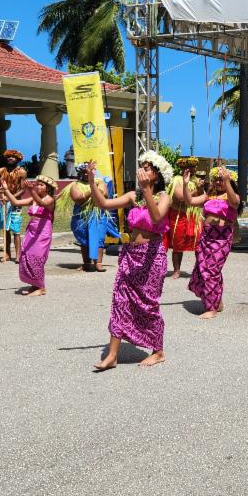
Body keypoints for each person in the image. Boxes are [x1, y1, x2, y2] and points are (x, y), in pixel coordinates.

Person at [88, 152, 173, 370]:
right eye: (141, 166)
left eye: (147, 167)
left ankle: (158, 350)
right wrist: (91, 179)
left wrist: (146, 190)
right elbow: (104, 203)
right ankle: (112, 355)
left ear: (157, 175)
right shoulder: (133, 196)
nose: (142, 170)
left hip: (152, 257)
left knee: (148, 304)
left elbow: (156, 218)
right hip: (130, 255)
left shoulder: (164, 197)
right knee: (120, 301)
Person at [184, 165, 242, 319]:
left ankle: (212, 308)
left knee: (212, 271)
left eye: (220, 180)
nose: (217, 182)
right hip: (206, 236)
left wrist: (227, 181)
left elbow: (234, 203)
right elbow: (189, 200)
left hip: (222, 238)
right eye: (215, 179)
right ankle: (217, 301)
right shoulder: (209, 195)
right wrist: (185, 184)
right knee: (203, 269)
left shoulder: (233, 196)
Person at [57, 163, 120, 272]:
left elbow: (104, 195)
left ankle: (98, 263)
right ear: (80, 173)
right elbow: (78, 198)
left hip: (98, 215)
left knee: (99, 238)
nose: (86, 174)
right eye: (84, 172)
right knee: (84, 240)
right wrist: (91, 191)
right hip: (82, 217)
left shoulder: (100, 182)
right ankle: (87, 263)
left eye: (89, 172)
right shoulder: (74, 185)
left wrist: (92, 188)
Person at [1, 175, 58, 296]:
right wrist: (6, 189)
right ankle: (34, 285)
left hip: (43, 233)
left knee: (36, 258)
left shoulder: (50, 199)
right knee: (27, 256)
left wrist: (31, 190)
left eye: (41, 185)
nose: (38, 186)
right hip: (31, 231)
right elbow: (15, 202)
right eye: (37, 184)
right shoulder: (33, 199)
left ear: (48, 188)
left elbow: (42, 203)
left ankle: (41, 288)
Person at [165, 156, 203, 279]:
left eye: (193, 167)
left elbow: (202, 198)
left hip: (194, 216)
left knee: (198, 244)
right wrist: (195, 190)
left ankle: (200, 270)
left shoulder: (196, 180)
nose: (191, 169)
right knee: (178, 245)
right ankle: (177, 270)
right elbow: (180, 198)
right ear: (182, 168)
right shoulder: (177, 180)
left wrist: (200, 188)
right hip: (178, 216)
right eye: (188, 167)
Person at [0, 149, 27, 263]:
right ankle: (7, 254)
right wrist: (2, 191)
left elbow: (22, 190)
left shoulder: (21, 172)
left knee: (15, 230)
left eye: (13, 157)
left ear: (17, 159)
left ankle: (18, 255)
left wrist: (11, 197)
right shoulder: (1, 171)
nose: (10, 159)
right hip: (3, 203)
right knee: (5, 230)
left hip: (16, 204)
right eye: (8, 157)